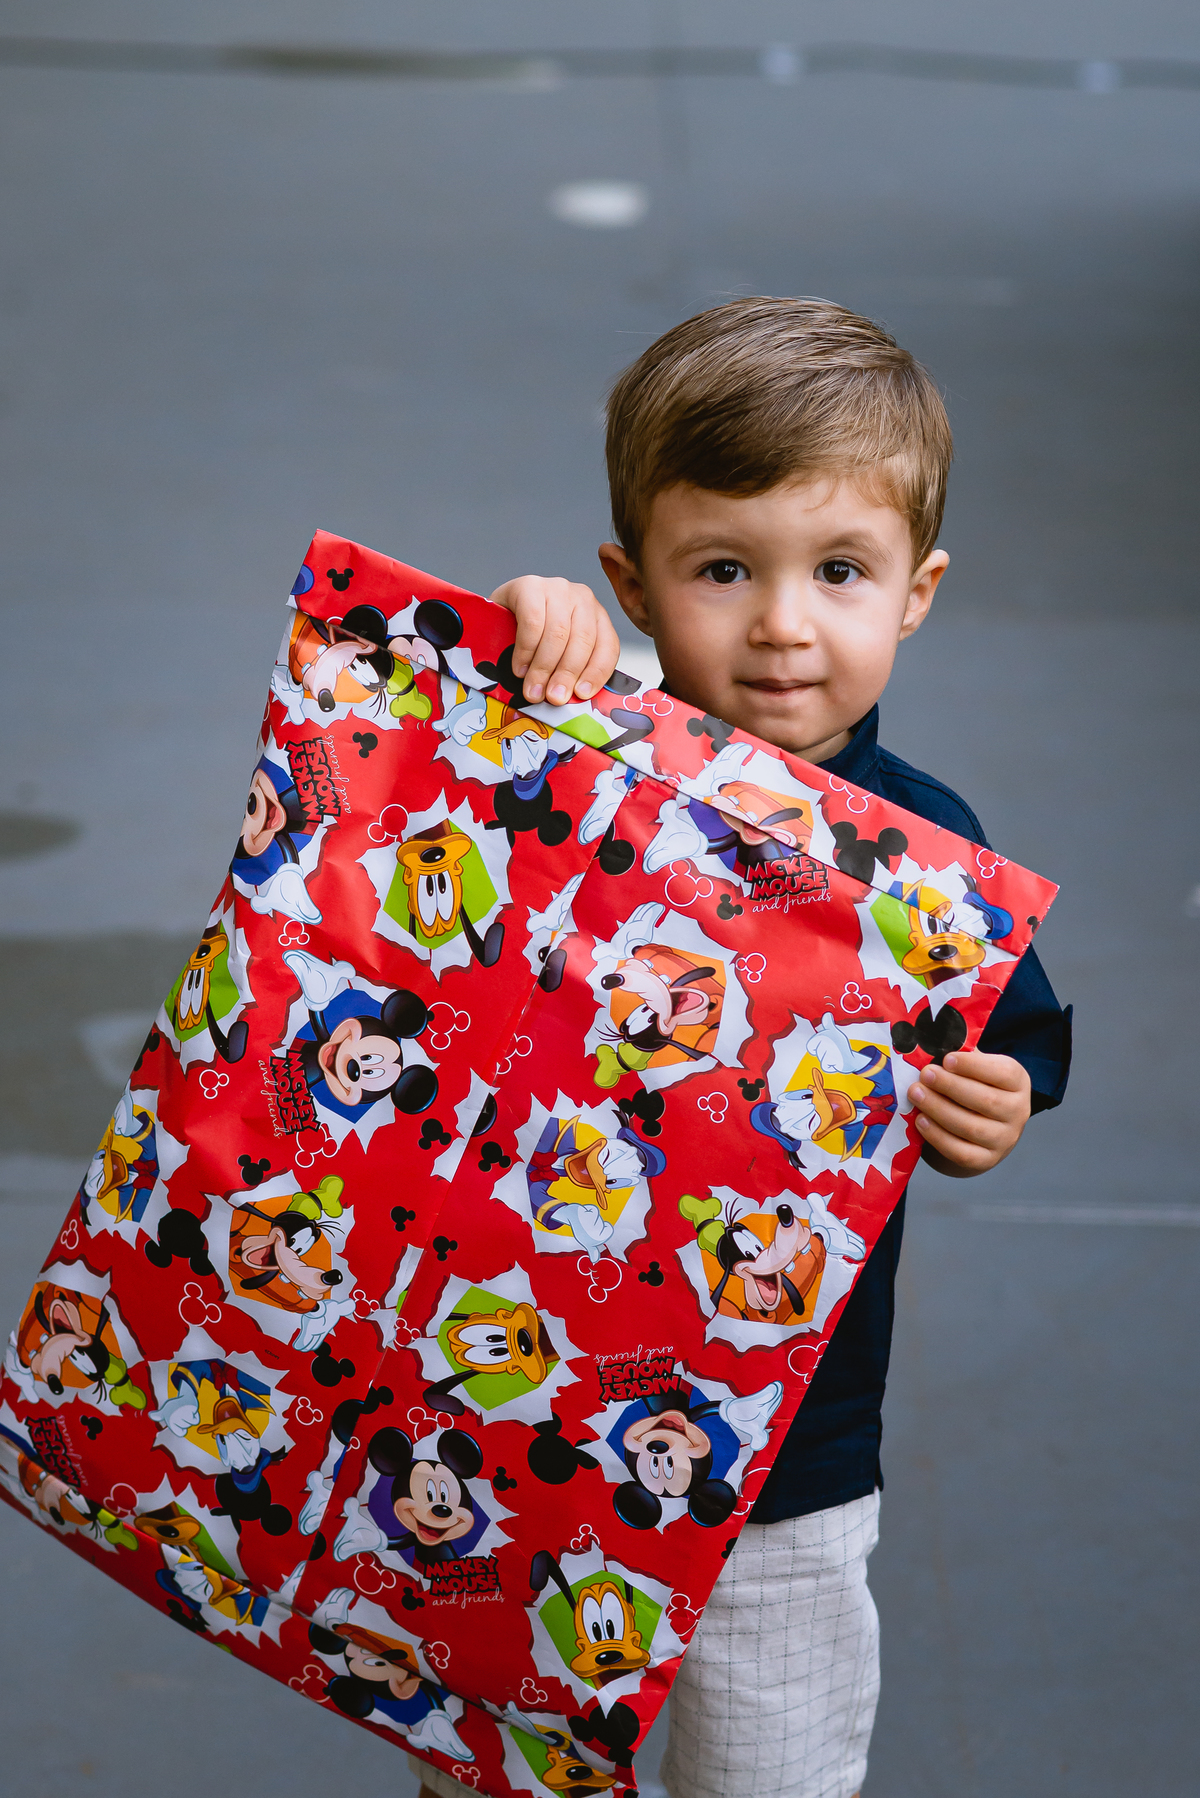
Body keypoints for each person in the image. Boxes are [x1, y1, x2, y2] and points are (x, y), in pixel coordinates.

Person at [413, 297, 1071, 1798]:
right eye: (723, 569)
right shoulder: (574, 752)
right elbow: (445, 759)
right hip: (514, 1413)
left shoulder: (934, 862)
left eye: (839, 570)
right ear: (631, 580)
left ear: (916, 592)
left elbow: (1018, 1040)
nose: (783, 621)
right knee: (492, 1765)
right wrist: (522, 631)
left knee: (769, 1766)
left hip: (786, 1450)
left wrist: (1000, 1096)